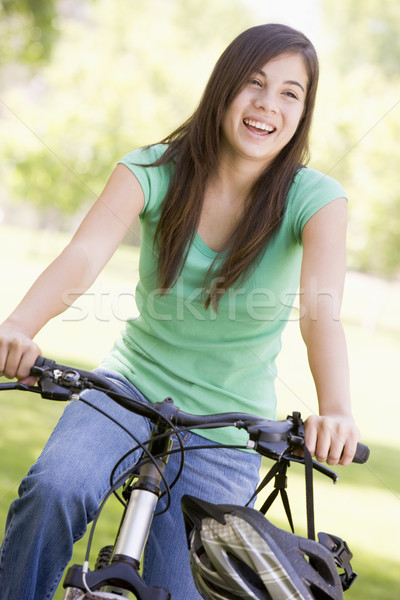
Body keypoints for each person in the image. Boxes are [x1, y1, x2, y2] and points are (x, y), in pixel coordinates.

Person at [0, 23, 360, 600]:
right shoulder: (151, 169)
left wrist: (336, 410)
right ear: (224, 89)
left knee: (186, 588)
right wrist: (19, 326)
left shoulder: (315, 200)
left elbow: (321, 312)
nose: (268, 105)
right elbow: (84, 255)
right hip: (127, 389)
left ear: (304, 109)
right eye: (254, 83)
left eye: (290, 93)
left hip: (229, 428)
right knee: (55, 490)